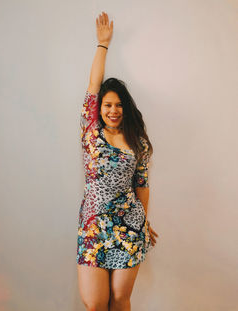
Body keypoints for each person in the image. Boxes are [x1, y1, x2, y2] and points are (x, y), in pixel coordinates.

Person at [76, 11, 159, 311]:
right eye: (108, 105)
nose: (113, 110)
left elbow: (142, 186)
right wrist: (103, 45)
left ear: (126, 109)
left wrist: (144, 220)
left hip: (129, 227)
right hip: (93, 227)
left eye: (119, 105)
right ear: (99, 109)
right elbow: (93, 86)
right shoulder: (91, 133)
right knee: (95, 303)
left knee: (121, 299)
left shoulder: (138, 144)